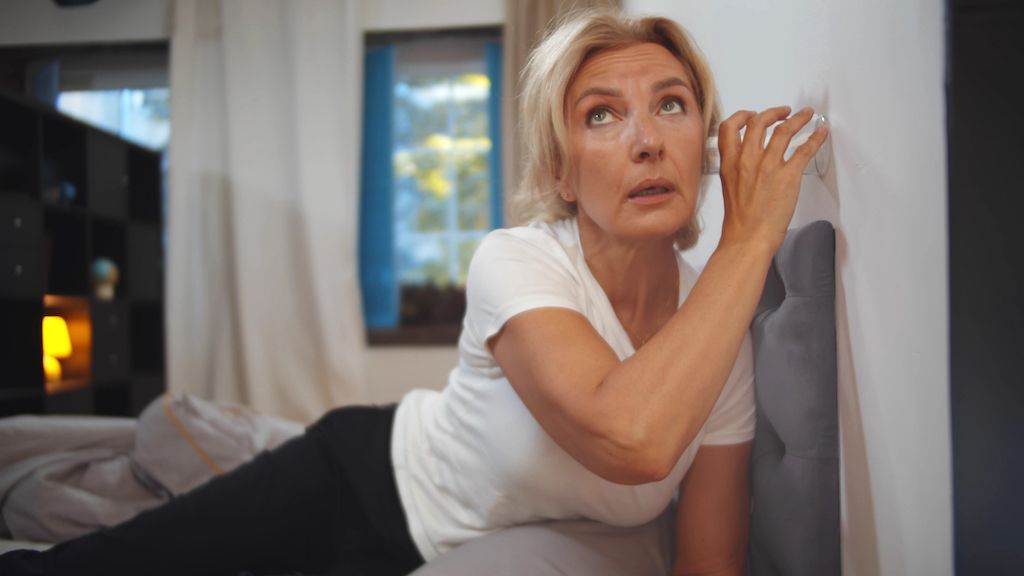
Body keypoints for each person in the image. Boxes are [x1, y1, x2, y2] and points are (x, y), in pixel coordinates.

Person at [0, 8, 826, 576]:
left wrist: (735, 254)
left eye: (671, 106)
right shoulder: (518, 262)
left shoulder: (719, 342)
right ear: (563, 172)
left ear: (703, 146)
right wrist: (748, 236)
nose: (645, 140)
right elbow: (631, 435)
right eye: (602, 116)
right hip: (358, 482)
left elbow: (710, 561)